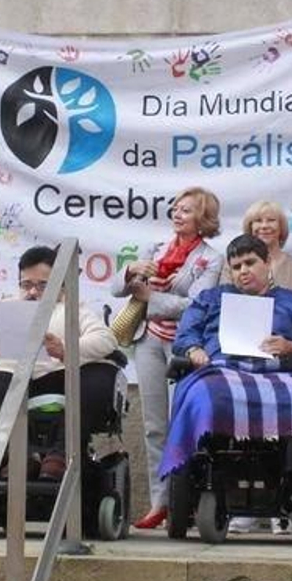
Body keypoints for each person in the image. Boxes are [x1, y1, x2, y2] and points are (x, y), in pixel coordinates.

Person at [163, 234, 292, 480]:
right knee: (202, 395)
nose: (243, 271)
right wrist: (193, 350)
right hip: (220, 370)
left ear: (268, 263)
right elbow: (185, 334)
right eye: (236, 266)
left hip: (282, 370)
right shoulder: (210, 299)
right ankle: (205, 473)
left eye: (250, 263)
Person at [0, 245, 120, 480]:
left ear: (60, 285)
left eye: (43, 285)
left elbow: (106, 339)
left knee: (101, 378)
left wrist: (65, 348)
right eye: (26, 284)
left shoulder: (73, 309)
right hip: (14, 374)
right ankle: (19, 454)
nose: (33, 292)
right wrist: (5, 323)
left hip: (60, 373)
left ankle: (61, 454)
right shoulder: (2, 306)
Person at [112, 186, 224, 529]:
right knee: (153, 425)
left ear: (203, 219)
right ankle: (159, 501)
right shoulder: (155, 249)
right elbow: (117, 289)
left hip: (186, 346)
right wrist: (131, 270)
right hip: (148, 340)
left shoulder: (211, 257)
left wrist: (154, 297)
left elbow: (198, 305)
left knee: (184, 424)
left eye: (187, 210)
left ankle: (185, 500)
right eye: (176, 208)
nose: (178, 214)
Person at [220, 200, 292, 306]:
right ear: (250, 227)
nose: (264, 226)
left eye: (271, 220)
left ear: (281, 227)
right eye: (258, 221)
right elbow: (224, 303)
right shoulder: (232, 265)